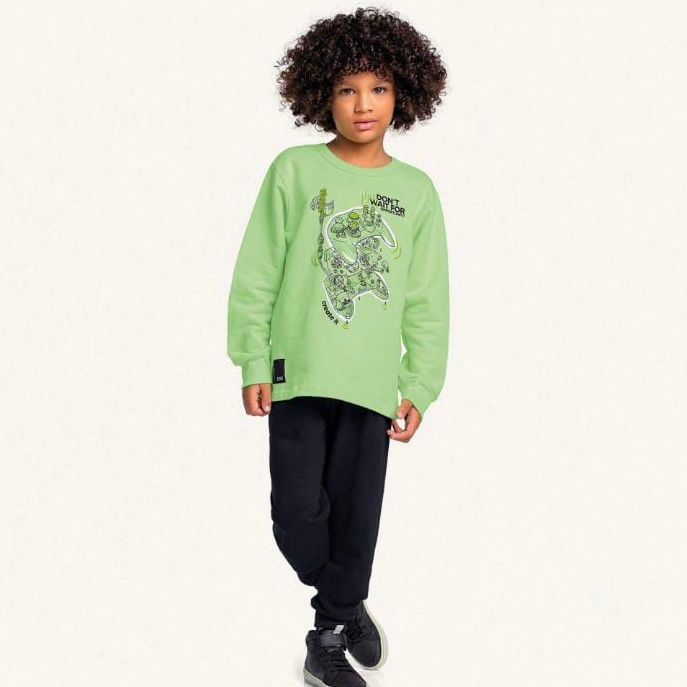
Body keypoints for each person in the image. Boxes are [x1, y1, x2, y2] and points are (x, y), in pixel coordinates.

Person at [226, 8, 450, 687]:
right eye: (348, 89)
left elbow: (426, 298)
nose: (363, 104)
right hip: (296, 375)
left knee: (357, 518)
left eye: (378, 88)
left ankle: (324, 640)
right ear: (322, 92)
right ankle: (347, 601)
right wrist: (253, 358)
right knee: (296, 517)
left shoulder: (415, 191)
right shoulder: (293, 171)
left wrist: (420, 384)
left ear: (403, 93)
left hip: (373, 384)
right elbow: (258, 271)